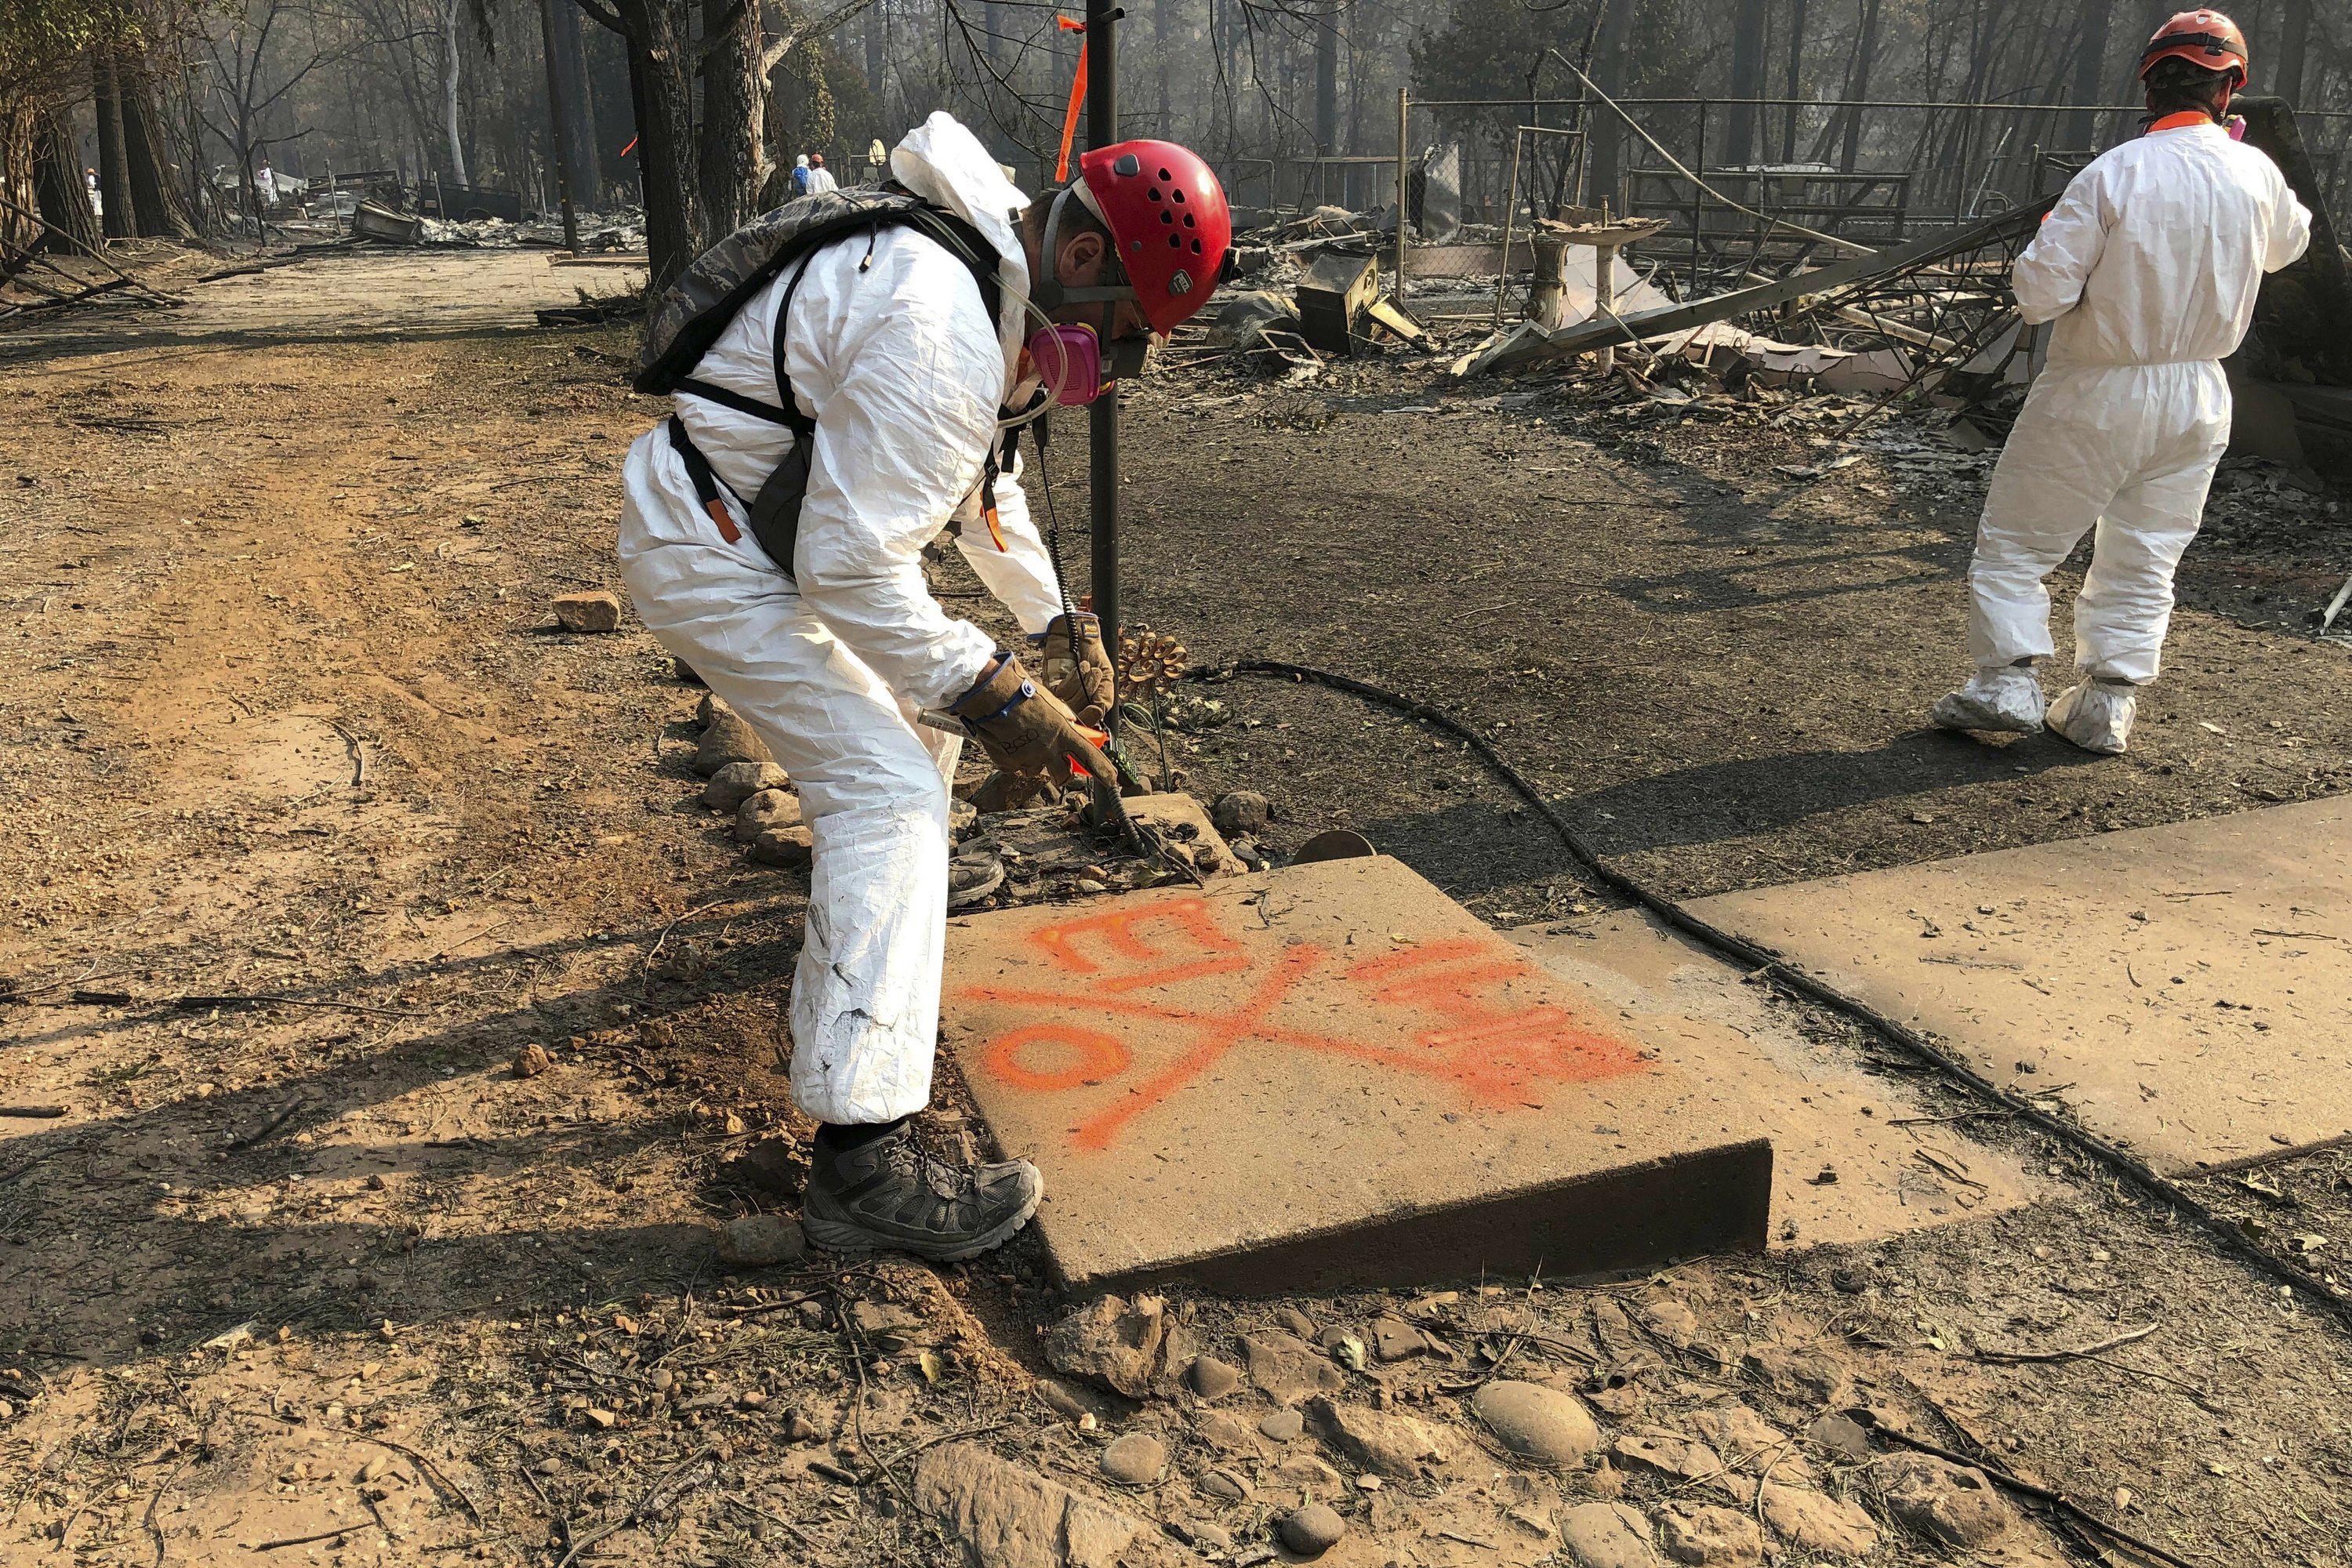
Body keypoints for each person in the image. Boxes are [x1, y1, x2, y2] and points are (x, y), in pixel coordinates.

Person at [615, 113, 1231, 1259]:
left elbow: (981, 490)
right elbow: (847, 565)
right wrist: (1001, 695)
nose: (1119, 359)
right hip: (715, 549)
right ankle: (866, 1165)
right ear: (1085, 260)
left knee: (914, 748)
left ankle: (868, 962)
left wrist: (1054, 623)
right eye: (1129, 330)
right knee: (891, 794)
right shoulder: (940, 326)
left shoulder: (987, 270)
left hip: (745, 522)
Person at [1932, 9, 2309, 754]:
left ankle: (2005, 682)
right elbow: (2286, 248)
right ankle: (2106, 705)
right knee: (2146, 552)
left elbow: (2040, 296)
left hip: (2098, 388)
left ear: (2150, 87)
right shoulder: (2257, 172)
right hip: (2201, 395)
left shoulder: (2114, 172)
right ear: (2229, 88)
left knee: (2017, 541)